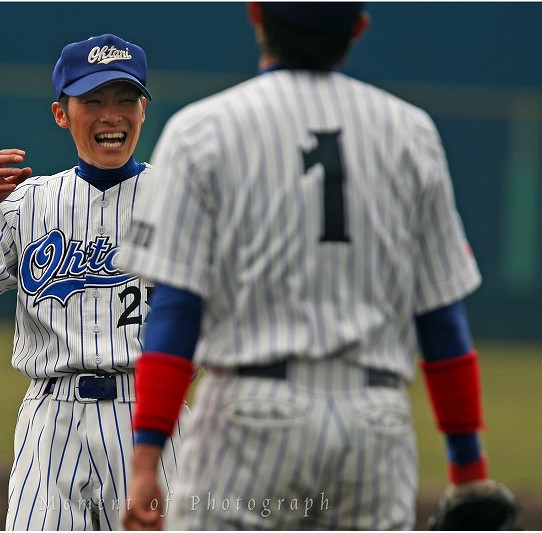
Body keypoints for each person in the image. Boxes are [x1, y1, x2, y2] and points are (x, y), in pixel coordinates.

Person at [119, 3, 513, 530]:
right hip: (374, 425)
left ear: (256, 14)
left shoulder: (202, 130)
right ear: (358, 28)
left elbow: (176, 309)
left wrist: (147, 459)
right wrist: (469, 468)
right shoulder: (410, 132)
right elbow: (441, 319)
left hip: (251, 414)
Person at [0, 33, 188, 531]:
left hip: (149, 412)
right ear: (61, 113)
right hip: (51, 417)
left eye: (125, 99)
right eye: (92, 100)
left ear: (142, 110)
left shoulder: (180, 197)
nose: (111, 115)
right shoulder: (26, 202)